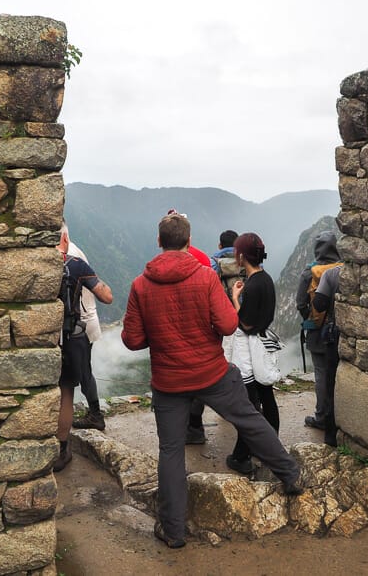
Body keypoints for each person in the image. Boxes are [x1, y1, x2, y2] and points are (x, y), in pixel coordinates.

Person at [121, 211, 302, 549]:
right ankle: (290, 474)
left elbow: (131, 339)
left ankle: (173, 531)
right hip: (211, 373)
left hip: (169, 381)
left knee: (171, 450)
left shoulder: (140, 285)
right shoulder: (205, 277)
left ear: (159, 242)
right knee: (249, 419)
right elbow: (228, 325)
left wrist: (158, 335)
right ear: (189, 242)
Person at [54, 225, 113, 472]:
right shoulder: (75, 262)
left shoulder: (33, 261)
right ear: (65, 236)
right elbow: (106, 296)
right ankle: (62, 449)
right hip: (72, 335)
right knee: (67, 391)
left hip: (41, 338)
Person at [226, 232, 283, 474]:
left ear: (241, 257)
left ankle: (241, 456)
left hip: (250, 351)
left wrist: (235, 299)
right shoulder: (266, 279)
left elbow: (246, 323)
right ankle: (271, 447)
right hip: (263, 345)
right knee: (266, 397)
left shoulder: (253, 285)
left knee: (249, 404)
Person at [187, 229, 240, 445]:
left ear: (219, 245)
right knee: (241, 373)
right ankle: (238, 416)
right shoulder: (248, 264)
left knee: (204, 376)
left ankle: (194, 427)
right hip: (244, 327)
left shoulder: (212, 266)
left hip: (217, 327)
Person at [295, 231, 341, 433]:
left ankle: (322, 417)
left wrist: (312, 320)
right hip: (341, 330)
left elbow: (300, 303)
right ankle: (339, 417)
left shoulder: (309, 273)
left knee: (321, 374)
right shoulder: (343, 269)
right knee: (337, 374)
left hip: (318, 332)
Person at [68, 240, 107, 431]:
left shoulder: (70, 253)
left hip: (81, 321)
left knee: (82, 371)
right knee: (83, 370)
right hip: (83, 320)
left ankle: (95, 415)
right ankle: (94, 413)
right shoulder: (73, 250)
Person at [311, 264, 340, 446]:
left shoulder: (330, 274)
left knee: (330, 382)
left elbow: (319, 304)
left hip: (334, 335)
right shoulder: (353, 270)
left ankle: (331, 434)